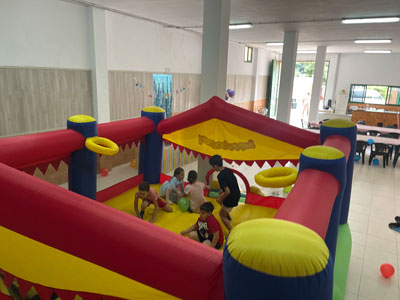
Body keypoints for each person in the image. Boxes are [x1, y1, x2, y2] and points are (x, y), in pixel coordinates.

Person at [209, 154, 240, 231]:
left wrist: (220, 198)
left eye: (212, 166)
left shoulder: (220, 176)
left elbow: (227, 191)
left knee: (221, 214)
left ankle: (231, 231)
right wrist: (221, 191)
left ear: (216, 166)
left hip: (231, 197)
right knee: (220, 197)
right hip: (237, 194)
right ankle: (227, 213)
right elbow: (230, 185)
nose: (212, 168)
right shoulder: (228, 170)